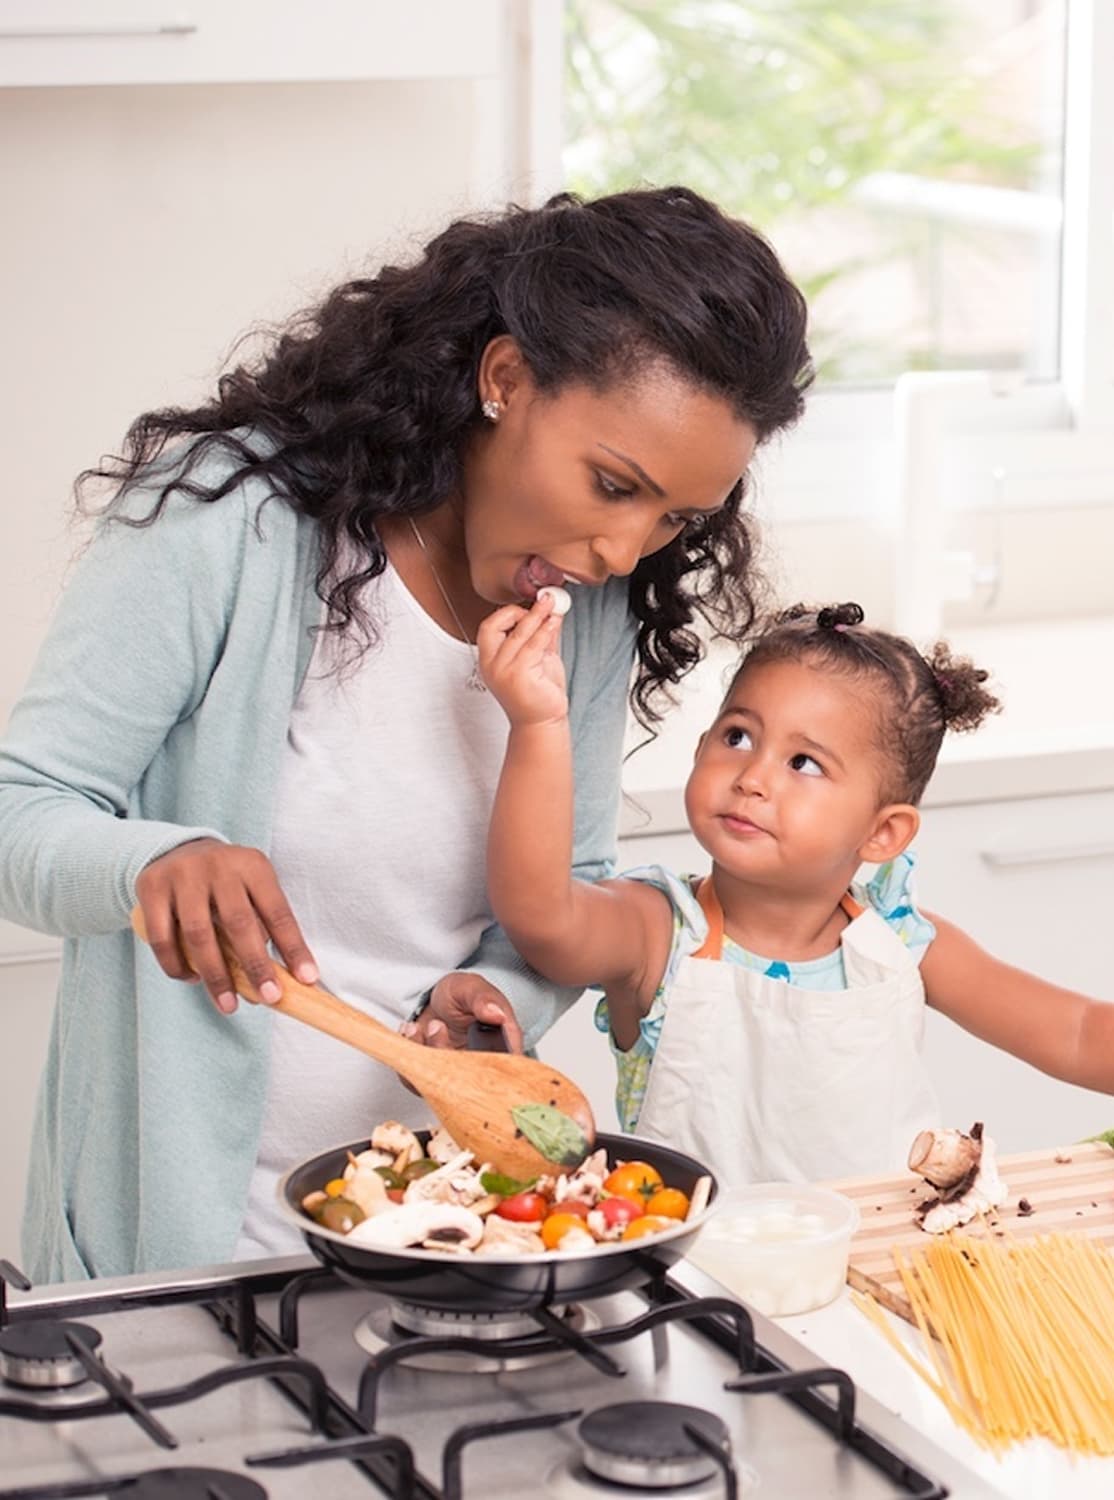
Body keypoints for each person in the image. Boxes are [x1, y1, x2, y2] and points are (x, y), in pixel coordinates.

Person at [0, 186, 813, 1280]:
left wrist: (499, 997)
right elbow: (21, 808)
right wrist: (155, 861)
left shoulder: (588, 606)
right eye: (612, 484)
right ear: (505, 379)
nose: (624, 548)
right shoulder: (230, 519)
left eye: (674, 517)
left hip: (436, 1233)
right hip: (185, 1253)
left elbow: (561, 886)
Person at [478, 597, 1114, 1185]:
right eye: (738, 737)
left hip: (878, 1277)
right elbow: (539, 916)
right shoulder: (655, 931)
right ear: (700, 750)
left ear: (883, 832)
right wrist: (539, 726)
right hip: (706, 1285)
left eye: (803, 763)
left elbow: (1079, 1033)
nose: (753, 776)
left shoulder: (901, 944)